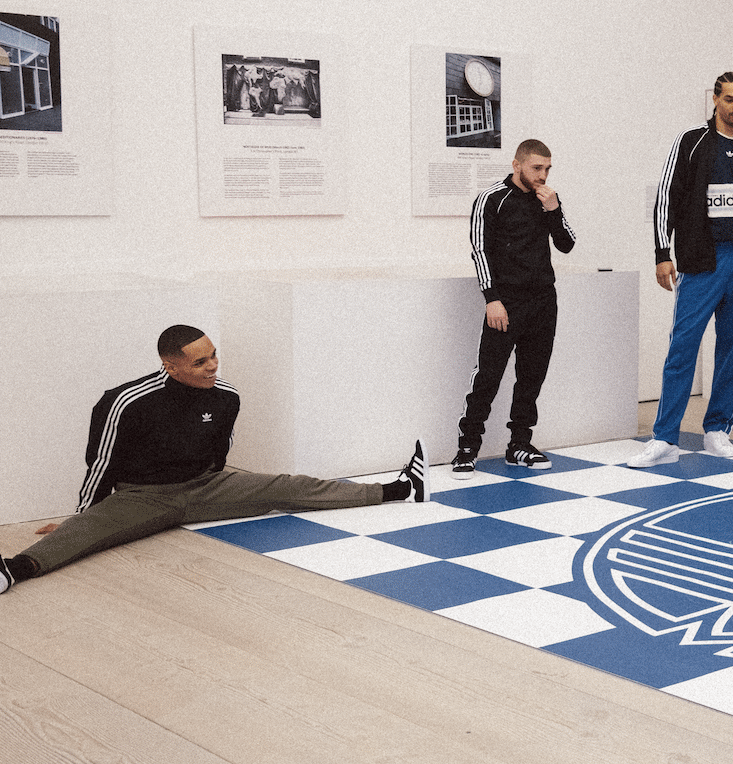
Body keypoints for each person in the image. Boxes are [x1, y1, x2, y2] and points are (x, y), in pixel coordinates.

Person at [1, 326, 428, 594]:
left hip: (207, 488)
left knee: (290, 486)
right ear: (170, 366)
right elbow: (100, 463)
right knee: (86, 535)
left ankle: (399, 488)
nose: (213, 367)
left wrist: (220, 485)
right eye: (200, 362)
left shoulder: (226, 397)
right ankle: (13, 571)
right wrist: (84, 516)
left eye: (214, 356)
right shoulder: (126, 401)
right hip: (143, 496)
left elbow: (218, 450)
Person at [630, 73, 733, 467]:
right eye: (729, 99)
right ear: (715, 99)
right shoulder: (692, 142)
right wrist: (662, 253)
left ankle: (717, 430)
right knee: (683, 347)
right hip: (701, 262)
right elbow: (666, 198)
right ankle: (665, 438)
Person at [453, 138, 577, 471]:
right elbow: (480, 251)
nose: (543, 175)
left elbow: (566, 244)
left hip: (543, 301)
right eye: (536, 168)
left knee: (531, 378)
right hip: (505, 302)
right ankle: (467, 447)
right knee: (488, 376)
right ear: (516, 165)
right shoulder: (492, 198)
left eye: (547, 168)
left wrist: (554, 210)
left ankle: (520, 444)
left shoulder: (547, 199)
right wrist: (491, 298)